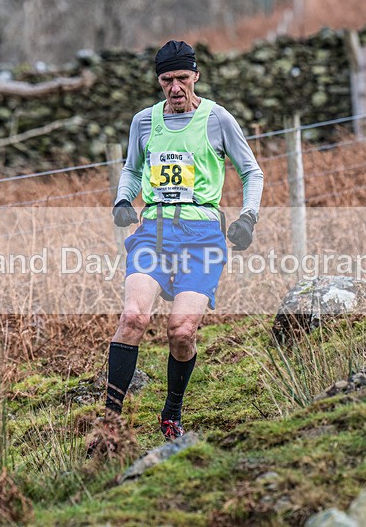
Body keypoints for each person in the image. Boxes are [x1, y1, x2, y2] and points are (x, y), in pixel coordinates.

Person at [104, 39, 264, 442]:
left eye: (181, 78)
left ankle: (171, 412)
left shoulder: (217, 118)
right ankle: (107, 424)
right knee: (133, 318)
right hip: (155, 231)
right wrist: (124, 198)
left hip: (202, 234)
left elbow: (251, 172)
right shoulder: (143, 121)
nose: (174, 88)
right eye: (166, 80)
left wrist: (248, 217)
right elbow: (132, 169)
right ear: (159, 81)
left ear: (195, 75)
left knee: (182, 330)